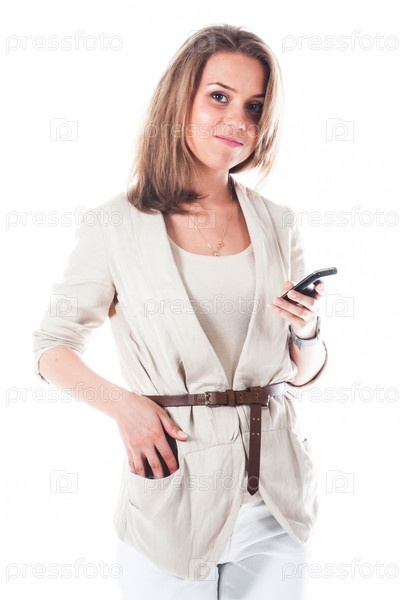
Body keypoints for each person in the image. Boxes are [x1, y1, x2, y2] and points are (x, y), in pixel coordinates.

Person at [33, 24, 328, 599]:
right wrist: (124, 408)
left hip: (277, 502)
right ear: (180, 100)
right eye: (219, 96)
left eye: (255, 106)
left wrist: (309, 330)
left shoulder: (279, 223)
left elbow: (303, 372)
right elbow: (51, 347)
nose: (238, 120)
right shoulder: (115, 225)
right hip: (171, 499)